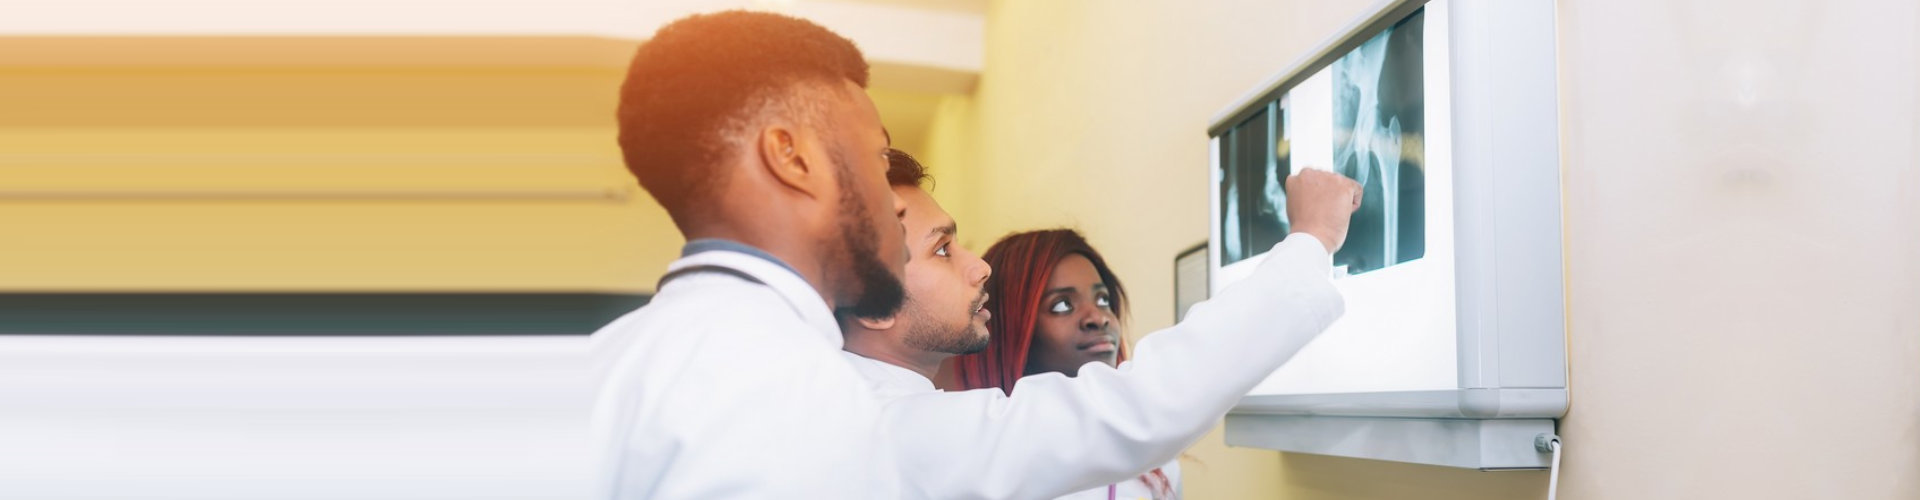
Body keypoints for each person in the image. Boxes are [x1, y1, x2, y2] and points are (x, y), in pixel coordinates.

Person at [591, 10, 1362, 499]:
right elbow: (1130, 410)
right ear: (792, 159)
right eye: (872, 155)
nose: (891, 210)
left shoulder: (617, 362)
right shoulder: (819, 401)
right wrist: (1309, 244)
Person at [946, 228, 1179, 500]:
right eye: (1062, 305)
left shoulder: (1156, 471)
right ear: (1008, 330)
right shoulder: (973, 472)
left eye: (1103, 300)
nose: (1098, 318)